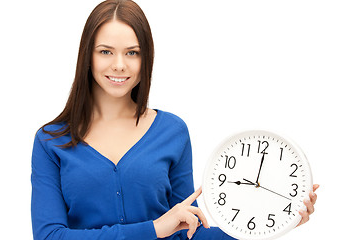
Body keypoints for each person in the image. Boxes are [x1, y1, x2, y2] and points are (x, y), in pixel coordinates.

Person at [30, 0, 319, 239]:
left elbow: (184, 230)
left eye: (132, 53)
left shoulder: (172, 131)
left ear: (146, 59)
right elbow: (49, 236)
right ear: (87, 57)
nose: (119, 64)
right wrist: (153, 229)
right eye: (106, 51)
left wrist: (279, 223)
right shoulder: (50, 141)